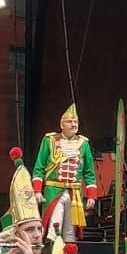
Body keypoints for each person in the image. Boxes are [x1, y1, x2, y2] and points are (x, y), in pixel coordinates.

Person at [32, 103, 96, 243]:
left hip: (75, 194)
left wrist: (91, 195)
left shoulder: (83, 144)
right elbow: (39, 168)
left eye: (76, 122)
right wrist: (37, 191)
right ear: (62, 125)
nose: (73, 125)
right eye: (69, 122)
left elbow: (89, 172)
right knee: (54, 227)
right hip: (54, 190)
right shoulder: (50, 140)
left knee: (70, 231)